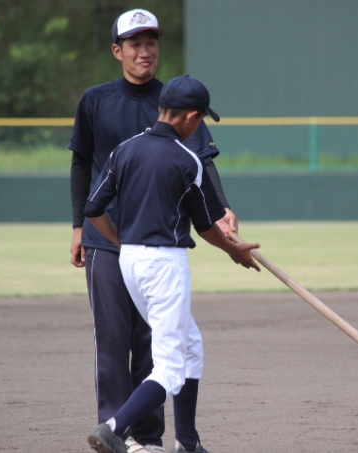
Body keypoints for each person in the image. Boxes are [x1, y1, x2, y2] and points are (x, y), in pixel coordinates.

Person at [67, 9, 238, 453]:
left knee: (152, 343)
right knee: (113, 341)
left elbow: (203, 164)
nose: (145, 51)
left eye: (151, 42)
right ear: (117, 50)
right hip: (107, 238)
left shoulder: (176, 99)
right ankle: (116, 431)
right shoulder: (96, 100)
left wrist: (222, 209)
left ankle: (148, 438)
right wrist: (78, 226)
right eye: (135, 43)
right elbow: (82, 164)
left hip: (154, 235)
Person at [83, 75, 260, 453]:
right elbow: (207, 226)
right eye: (202, 119)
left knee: (190, 346)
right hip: (165, 265)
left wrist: (119, 241)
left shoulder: (125, 150)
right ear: (191, 116)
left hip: (130, 261)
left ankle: (188, 443)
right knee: (170, 367)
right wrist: (234, 251)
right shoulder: (186, 160)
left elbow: (93, 208)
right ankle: (114, 427)